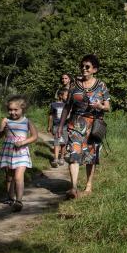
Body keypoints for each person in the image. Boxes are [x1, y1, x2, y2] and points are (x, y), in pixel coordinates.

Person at [58, 54, 110, 199]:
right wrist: (61, 126)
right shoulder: (74, 85)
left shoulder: (101, 85)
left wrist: (100, 106)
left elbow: (108, 107)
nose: (83, 69)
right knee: (73, 154)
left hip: (93, 125)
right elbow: (67, 107)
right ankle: (73, 188)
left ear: (95, 69)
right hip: (75, 123)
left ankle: (88, 186)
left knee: (90, 156)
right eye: (82, 66)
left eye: (87, 67)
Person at [0, 95, 38, 212]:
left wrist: (23, 142)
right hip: (8, 152)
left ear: (22, 109)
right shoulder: (5, 120)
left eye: (16, 110)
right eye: (10, 110)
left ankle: (19, 201)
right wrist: (1, 129)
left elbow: (35, 136)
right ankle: (10, 197)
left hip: (21, 152)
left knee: (18, 177)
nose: (12, 112)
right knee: (9, 177)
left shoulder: (27, 121)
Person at [48, 88, 69, 167]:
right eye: (66, 95)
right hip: (56, 126)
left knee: (64, 143)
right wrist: (49, 126)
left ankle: (62, 158)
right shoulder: (54, 105)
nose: (67, 97)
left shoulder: (68, 105)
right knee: (56, 142)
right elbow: (51, 116)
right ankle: (56, 159)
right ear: (60, 95)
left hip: (65, 127)